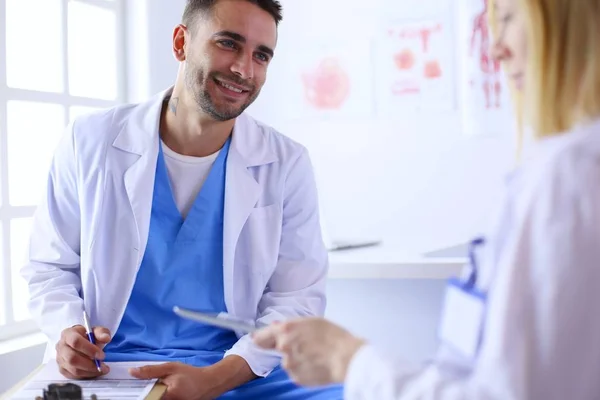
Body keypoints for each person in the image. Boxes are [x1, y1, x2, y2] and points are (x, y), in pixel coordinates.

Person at [253, 0, 600, 398]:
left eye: (507, 18)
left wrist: (349, 359)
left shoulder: (567, 175)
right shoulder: (563, 170)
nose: (495, 49)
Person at [21, 0, 343, 398]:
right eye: (228, 43)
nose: (245, 69)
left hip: (238, 365)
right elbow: (50, 265)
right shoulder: (90, 142)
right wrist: (68, 332)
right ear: (180, 43)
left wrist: (217, 378)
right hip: (117, 365)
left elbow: (297, 299)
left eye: (261, 55)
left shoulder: (286, 162)